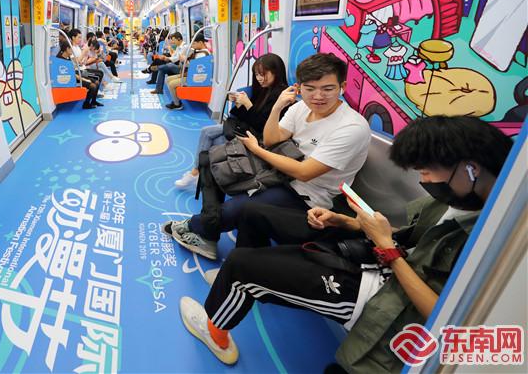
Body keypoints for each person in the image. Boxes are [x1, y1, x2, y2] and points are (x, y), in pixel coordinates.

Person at [177, 115, 514, 371]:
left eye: (426, 172)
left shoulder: (495, 241)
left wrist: (389, 251)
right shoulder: (458, 202)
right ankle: (241, 285)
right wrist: (346, 221)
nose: (424, 180)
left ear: (470, 170)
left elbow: (447, 316)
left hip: (386, 295)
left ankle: (217, 331)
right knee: (253, 213)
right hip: (376, 255)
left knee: (241, 267)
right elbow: (412, 237)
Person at [168, 53, 371, 260]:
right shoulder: (301, 107)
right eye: (310, 89)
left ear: (342, 87)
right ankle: (208, 234)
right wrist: (277, 107)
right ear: (299, 88)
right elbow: (272, 139)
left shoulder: (351, 127)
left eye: (327, 89)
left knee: (241, 208)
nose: (318, 96)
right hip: (278, 173)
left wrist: (257, 150)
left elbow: (304, 173)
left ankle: (196, 226)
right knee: (213, 162)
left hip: (308, 195)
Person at [175, 54, 289, 187]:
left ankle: (198, 173)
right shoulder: (263, 89)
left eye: (263, 74)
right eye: (257, 74)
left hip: (257, 137)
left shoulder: (281, 95)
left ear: (276, 72)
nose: (259, 78)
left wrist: (248, 104)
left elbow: (263, 126)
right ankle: (197, 172)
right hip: (248, 129)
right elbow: (249, 117)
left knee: (214, 141)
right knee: (206, 132)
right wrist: (240, 105)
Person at [164, 34, 211, 110]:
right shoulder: (198, 52)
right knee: (168, 79)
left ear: (200, 43)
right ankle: (176, 100)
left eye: (194, 43)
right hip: (192, 75)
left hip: (197, 78)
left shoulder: (203, 54)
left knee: (171, 84)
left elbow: (196, 69)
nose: (192, 45)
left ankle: (177, 104)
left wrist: (185, 60)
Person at [56, 41, 102, 109]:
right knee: (93, 86)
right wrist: (84, 79)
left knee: (97, 80)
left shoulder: (68, 57)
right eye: (71, 49)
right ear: (67, 49)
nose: (72, 51)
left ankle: (93, 101)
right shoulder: (61, 60)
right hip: (72, 78)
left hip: (77, 73)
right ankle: (86, 104)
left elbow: (73, 70)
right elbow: (72, 74)